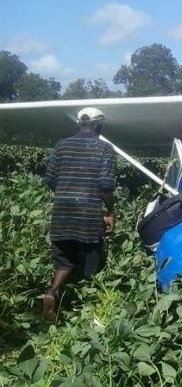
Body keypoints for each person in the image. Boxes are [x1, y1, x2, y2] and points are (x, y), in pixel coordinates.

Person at [42, 107, 116, 322]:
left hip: (61, 212)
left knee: (63, 261)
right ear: (99, 124)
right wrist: (110, 212)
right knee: (90, 263)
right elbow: (105, 186)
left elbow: (50, 179)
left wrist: (66, 193)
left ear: (79, 123)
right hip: (88, 213)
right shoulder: (104, 148)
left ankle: (52, 291)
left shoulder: (61, 146)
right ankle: (87, 310)